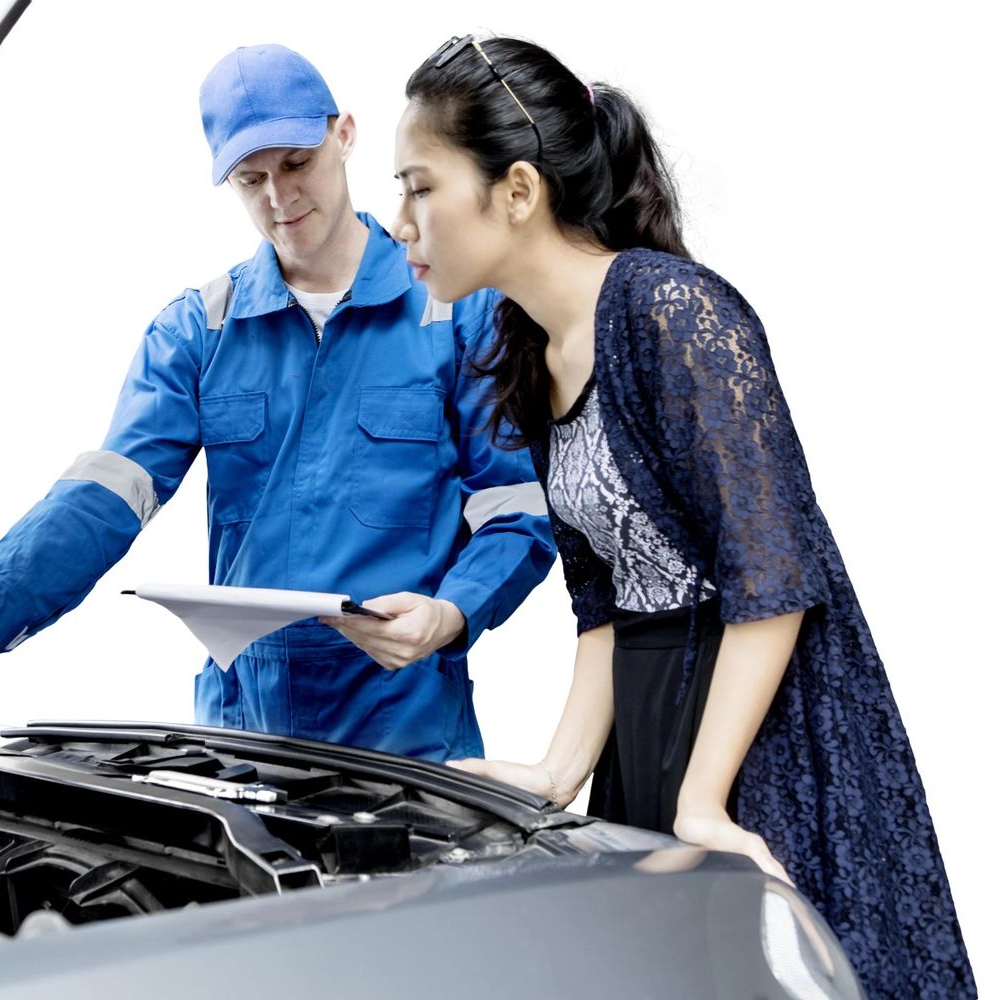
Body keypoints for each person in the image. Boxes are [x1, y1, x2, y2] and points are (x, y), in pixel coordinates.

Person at [390, 32, 973, 997]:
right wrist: (558, 766)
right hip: (652, 729)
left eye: (420, 187)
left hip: (766, 731)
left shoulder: (672, 309)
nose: (400, 220)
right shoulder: (531, 346)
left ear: (518, 192)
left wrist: (704, 798)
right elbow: (604, 601)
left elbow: (774, 577)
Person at [0, 44, 555, 763]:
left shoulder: (457, 312)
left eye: (297, 163)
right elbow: (103, 499)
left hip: (408, 731)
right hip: (243, 739)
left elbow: (516, 505)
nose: (280, 196)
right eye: (250, 179)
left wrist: (451, 614)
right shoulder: (197, 330)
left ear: (345, 133)